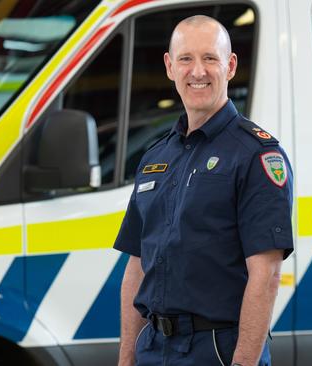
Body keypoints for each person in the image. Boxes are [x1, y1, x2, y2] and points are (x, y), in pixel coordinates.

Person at [114, 15, 293, 366]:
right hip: (152, 346)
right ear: (169, 67)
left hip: (216, 349)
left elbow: (266, 274)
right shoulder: (156, 156)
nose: (198, 71)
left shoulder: (256, 155)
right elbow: (137, 266)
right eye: (186, 59)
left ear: (230, 65)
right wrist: (126, 358)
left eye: (210, 58)